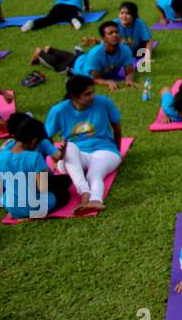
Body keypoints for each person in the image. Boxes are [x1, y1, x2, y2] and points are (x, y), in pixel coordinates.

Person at [45, 74, 123, 216]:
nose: (92, 96)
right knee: (68, 146)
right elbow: (46, 136)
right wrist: (55, 160)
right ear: (74, 96)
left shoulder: (104, 102)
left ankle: (95, 200)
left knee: (94, 174)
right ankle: (85, 191)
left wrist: (118, 151)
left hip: (104, 151)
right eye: (87, 94)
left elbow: (117, 128)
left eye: (93, 92)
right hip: (75, 156)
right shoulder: (59, 110)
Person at [0, 112, 71, 221]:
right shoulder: (35, 157)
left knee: (8, 195)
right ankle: (36, 215)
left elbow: (0, 180)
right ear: (34, 142)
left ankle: (16, 214)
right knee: (65, 193)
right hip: (36, 206)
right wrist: (44, 173)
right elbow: (42, 188)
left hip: (13, 207)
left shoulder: (2, 155)